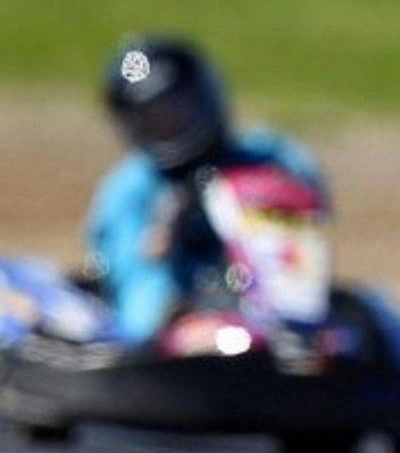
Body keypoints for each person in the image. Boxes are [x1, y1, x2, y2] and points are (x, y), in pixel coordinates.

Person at [85, 35, 328, 345]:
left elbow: (311, 210)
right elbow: (137, 297)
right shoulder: (131, 192)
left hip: (272, 307)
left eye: (182, 108)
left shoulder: (269, 157)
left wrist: (238, 205)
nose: (176, 124)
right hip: (184, 326)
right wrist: (168, 234)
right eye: (158, 119)